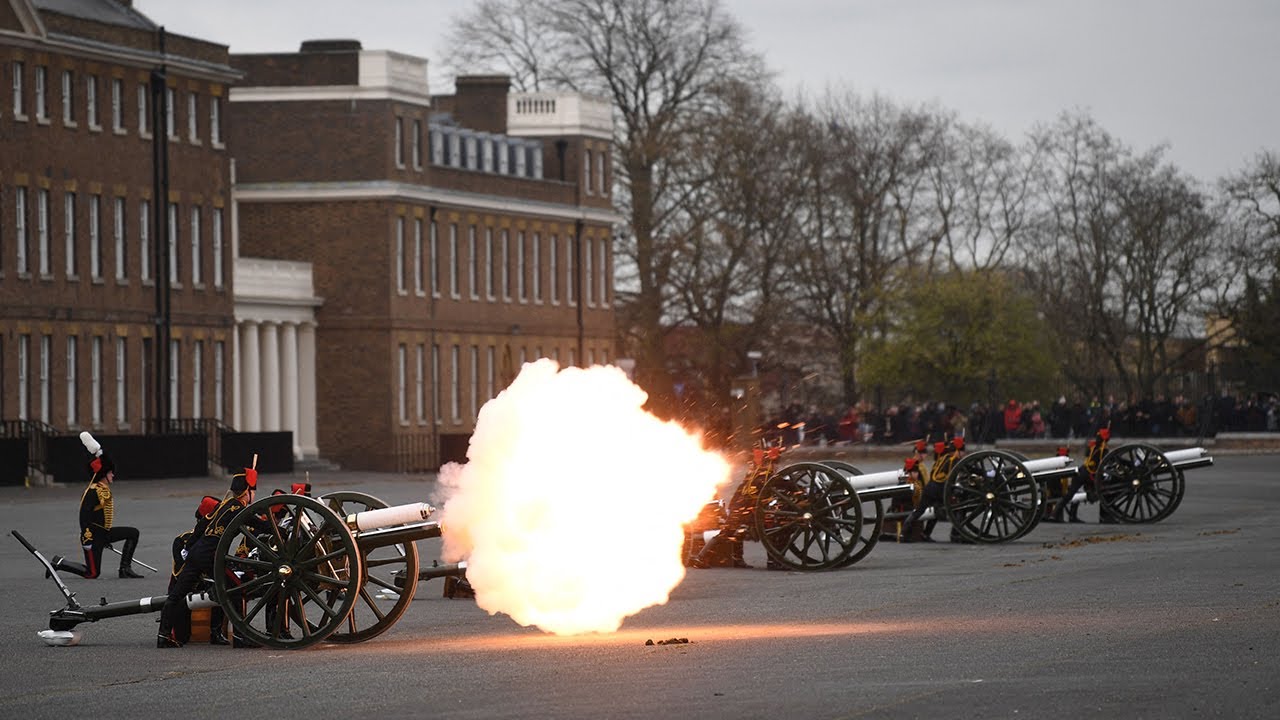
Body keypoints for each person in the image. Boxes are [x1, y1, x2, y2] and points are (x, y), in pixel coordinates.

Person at [157, 466, 263, 648]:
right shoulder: (239, 508)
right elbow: (259, 526)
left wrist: (190, 548)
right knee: (236, 590)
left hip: (196, 554)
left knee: (176, 596)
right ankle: (239, 637)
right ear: (248, 492)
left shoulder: (223, 506)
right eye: (253, 491)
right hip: (211, 557)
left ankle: (163, 636)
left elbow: (200, 528)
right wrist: (280, 530)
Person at [49, 432, 143, 579]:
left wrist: (105, 538)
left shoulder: (103, 489)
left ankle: (125, 568)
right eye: (111, 473)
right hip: (92, 536)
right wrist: (89, 538)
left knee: (133, 533)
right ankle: (60, 563)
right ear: (104, 474)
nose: (113, 476)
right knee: (92, 573)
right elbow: (84, 516)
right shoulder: (93, 492)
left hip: (103, 533)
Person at [1051, 426, 1111, 523]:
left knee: (1071, 494)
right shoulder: (1102, 450)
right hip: (1087, 474)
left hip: (1084, 471)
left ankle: (1064, 514)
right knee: (1102, 492)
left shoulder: (1093, 447)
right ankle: (1057, 513)